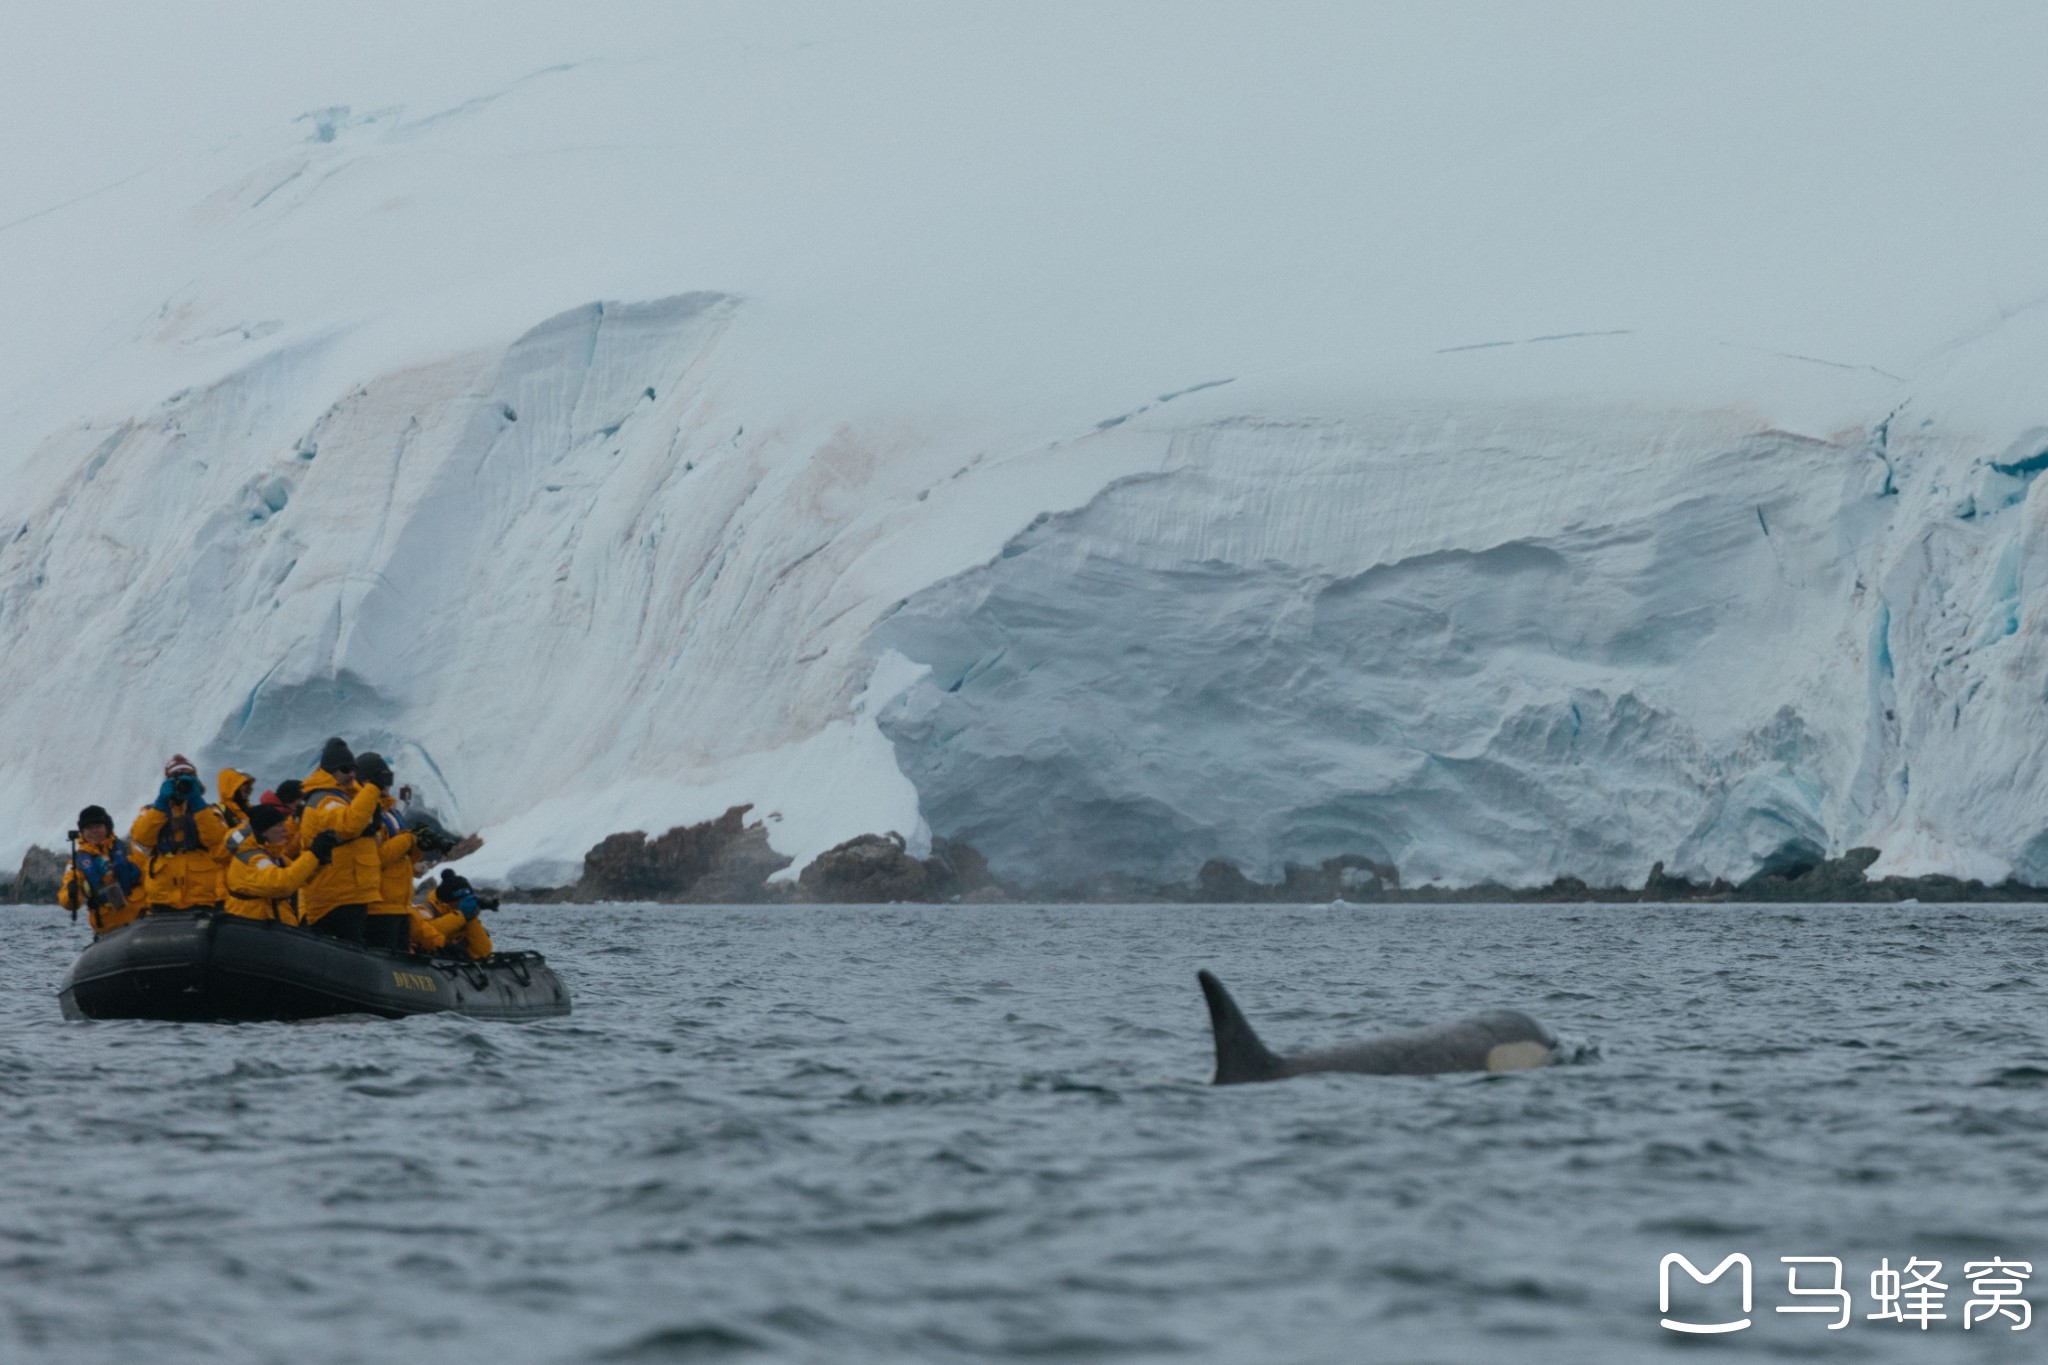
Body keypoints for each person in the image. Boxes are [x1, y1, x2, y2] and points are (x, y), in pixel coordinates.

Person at [296, 737, 384, 943]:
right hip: (334, 899)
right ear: (329, 771)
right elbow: (348, 824)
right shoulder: (324, 800)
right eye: (345, 769)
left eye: (353, 769)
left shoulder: (343, 798)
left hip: (350, 895)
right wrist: (372, 788)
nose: (352, 774)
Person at [130, 755, 229, 913]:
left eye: (188, 776)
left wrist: (196, 802)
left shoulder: (209, 811)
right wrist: (161, 803)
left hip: (201, 895)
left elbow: (216, 839)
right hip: (162, 895)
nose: (182, 782)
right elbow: (142, 838)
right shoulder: (151, 811)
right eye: (176, 777)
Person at [223, 808, 339, 923]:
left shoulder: (275, 857)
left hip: (271, 927)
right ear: (264, 831)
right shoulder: (252, 859)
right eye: (279, 825)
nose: (285, 830)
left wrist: (318, 862)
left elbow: (299, 878)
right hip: (251, 930)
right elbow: (281, 885)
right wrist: (314, 854)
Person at [357, 752, 420, 952]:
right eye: (383, 779)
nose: (387, 785)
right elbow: (377, 857)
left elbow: (408, 858)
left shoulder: (392, 812)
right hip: (379, 906)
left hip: (400, 904)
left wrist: (420, 844)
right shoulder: (366, 812)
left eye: (389, 779)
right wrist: (408, 839)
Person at [58, 805, 145, 935]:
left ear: (107, 827)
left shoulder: (128, 849)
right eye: (89, 828)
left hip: (141, 922)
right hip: (108, 931)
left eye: (98, 826)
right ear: (82, 831)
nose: (94, 831)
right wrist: (71, 893)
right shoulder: (77, 863)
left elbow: (151, 876)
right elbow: (68, 903)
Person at [412, 870, 495, 958]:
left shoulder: (466, 915)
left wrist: (471, 918)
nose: (466, 903)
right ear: (449, 901)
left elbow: (483, 953)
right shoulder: (426, 907)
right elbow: (422, 931)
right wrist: (460, 915)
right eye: (461, 900)